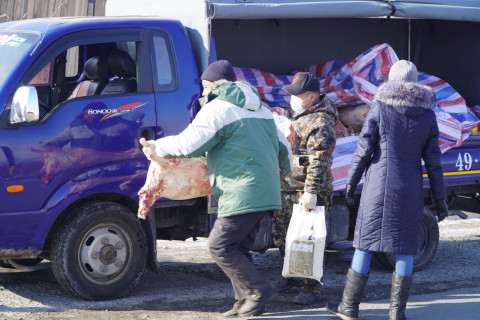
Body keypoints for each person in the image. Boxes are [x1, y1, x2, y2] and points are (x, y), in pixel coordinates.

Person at [141, 60, 293, 317]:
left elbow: (189, 144)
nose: (202, 92)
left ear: (213, 84)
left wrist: (158, 147)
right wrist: (282, 174)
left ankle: (259, 290)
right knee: (238, 248)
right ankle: (245, 304)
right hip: (265, 192)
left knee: (219, 246)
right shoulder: (263, 111)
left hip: (241, 190)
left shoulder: (218, 109)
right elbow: (285, 154)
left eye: (203, 85)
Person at [326, 60, 448, 320]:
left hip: (378, 186)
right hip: (411, 187)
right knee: (405, 248)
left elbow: (364, 149)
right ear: (415, 81)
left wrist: (350, 182)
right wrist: (440, 200)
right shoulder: (427, 115)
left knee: (364, 246)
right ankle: (397, 314)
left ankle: (348, 308)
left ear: (391, 80)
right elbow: (434, 162)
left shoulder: (379, 108)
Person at [272, 72, 338, 305]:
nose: (291, 99)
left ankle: (311, 288)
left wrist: (311, 191)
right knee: (283, 235)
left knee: (309, 239)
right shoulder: (302, 116)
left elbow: (320, 161)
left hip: (307, 191)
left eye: (296, 95)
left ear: (310, 97)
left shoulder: (320, 122)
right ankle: (289, 275)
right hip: (289, 187)